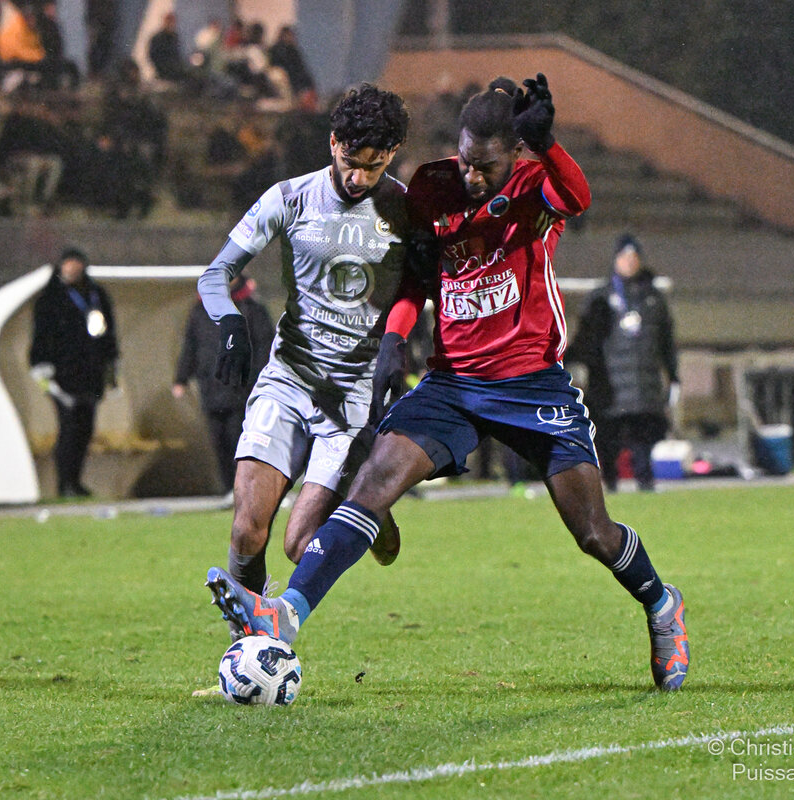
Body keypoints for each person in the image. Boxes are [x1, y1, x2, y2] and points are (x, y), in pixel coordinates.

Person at [206, 75, 690, 692]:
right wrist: (392, 340)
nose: (472, 176)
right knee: (372, 482)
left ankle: (660, 603)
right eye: (465, 160)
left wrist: (549, 145)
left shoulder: (534, 189)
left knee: (593, 533)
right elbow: (417, 282)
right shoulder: (436, 191)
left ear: (514, 155)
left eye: (486, 166)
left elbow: (578, 194)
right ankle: (287, 613)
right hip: (452, 383)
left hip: (529, 384)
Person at [196, 84, 411, 619]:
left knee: (299, 545)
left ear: (392, 154)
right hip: (288, 377)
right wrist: (230, 324)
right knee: (247, 527)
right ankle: (251, 643)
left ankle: (370, 509)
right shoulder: (290, 197)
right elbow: (216, 273)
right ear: (333, 142)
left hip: (353, 395)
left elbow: (426, 286)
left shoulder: (406, 210)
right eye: (351, 162)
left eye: (374, 166)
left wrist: (399, 343)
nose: (359, 178)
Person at [571, 234, 678, 492]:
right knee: (608, 438)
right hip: (609, 386)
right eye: (624, 257)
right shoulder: (601, 296)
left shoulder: (653, 297)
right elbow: (586, 340)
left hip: (644, 384)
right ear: (615, 260)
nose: (629, 262)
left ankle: (645, 483)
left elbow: (667, 342)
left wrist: (673, 375)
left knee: (643, 437)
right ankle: (609, 484)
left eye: (634, 257)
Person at [29, 247, 119, 497]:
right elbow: (41, 337)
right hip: (62, 377)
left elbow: (108, 334)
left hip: (91, 374)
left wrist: (111, 366)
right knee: (68, 428)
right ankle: (65, 483)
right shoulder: (50, 299)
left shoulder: (97, 295)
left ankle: (76, 481)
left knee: (85, 430)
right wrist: (43, 368)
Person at [172, 276, 275, 491]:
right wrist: (181, 378)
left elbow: (264, 345)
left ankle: (247, 489)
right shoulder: (201, 309)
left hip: (242, 388)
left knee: (240, 439)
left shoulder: (251, 307)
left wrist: (259, 379)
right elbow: (191, 344)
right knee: (219, 441)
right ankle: (230, 489)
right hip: (211, 386)